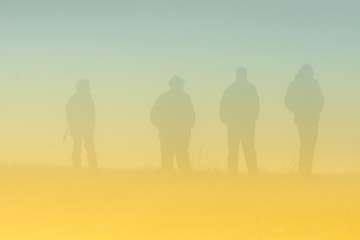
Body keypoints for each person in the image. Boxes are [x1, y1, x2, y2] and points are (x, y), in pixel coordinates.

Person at [150, 75, 195, 171]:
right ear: (175, 85)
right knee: (181, 154)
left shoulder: (164, 97)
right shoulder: (184, 97)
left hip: (169, 133)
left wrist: (161, 127)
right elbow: (191, 115)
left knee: (168, 155)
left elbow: (153, 116)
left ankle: (169, 178)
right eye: (180, 84)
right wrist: (188, 127)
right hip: (179, 133)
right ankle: (185, 178)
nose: (182, 86)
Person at [285, 64, 324, 174]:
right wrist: (297, 110)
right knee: (306, 143)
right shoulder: (295, 85)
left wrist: (317, 110)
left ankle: (306, 171)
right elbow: (288, 101)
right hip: (303, 119)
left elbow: (321, 99)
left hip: (312, 118)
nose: (311, 74)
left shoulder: (313, 84)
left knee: (310, 144)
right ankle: (304, 171)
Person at [220, 67, 259, 174]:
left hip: (238, 125)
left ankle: (239, 172)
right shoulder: (249, 88)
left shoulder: (231, 89)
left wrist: (226, 119)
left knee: (241, 149)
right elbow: (256, 105)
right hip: (242, 125)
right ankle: (249, 172)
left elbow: (256, 105)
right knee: (241, 149)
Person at [66, 79, 97, 170]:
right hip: (84, 128)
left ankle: (78, 167)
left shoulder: (75, 98)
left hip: (80, 128)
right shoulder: (87, 98)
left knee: (79, 147)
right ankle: (90, 168)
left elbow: (68, 111)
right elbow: (92, 113)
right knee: (86, 147)